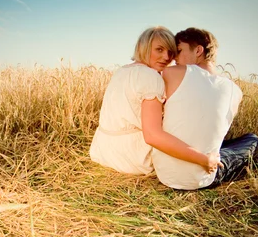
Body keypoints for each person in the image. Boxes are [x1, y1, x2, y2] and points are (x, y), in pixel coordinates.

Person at [90, 26, 221, 177]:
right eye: (159, 49)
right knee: (228, 148)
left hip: (103, 151)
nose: (166, 57)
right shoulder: (151, 77)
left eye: (171, 52)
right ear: (143, 47)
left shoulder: (122, 71)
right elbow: (152, 135)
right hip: (133, 159)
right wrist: (204, 159)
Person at [152, 27, 258, 190]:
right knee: (252, 139)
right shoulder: (236, 91)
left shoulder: (170, 73)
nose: (174, 60)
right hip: (203, 178)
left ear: (199, 50)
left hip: (164, 173)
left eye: (179, 51)